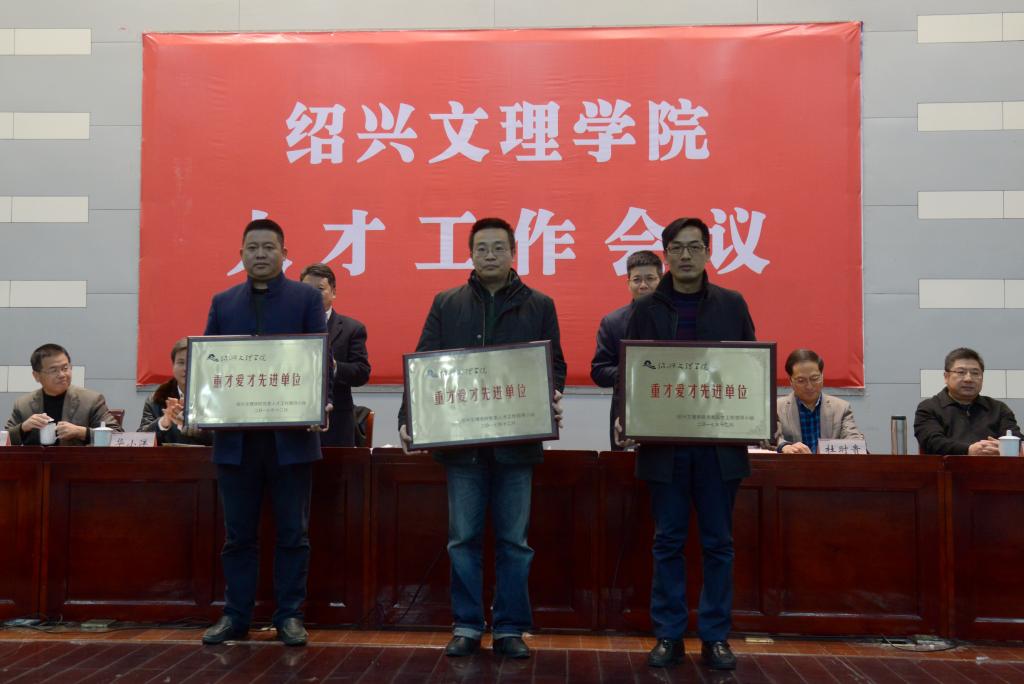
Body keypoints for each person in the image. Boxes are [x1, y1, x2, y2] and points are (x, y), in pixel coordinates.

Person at [398, 217, 566, 660]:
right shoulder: (447, 302)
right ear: (470, 254)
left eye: (499, 247)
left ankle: (510, 628)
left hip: (517, 446)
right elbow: (425, 364)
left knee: (514, 542)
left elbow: (555, 365)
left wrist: (551, 393)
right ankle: (468, 624)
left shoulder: (540, 304)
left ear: (514, 252)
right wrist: (409, 417)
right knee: (463, 539)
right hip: (463, 447)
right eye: (482, 248)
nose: (490, 255)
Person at [622, 217, 754, 671]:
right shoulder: (645, 309)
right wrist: (628, 417)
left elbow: (749, 369)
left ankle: (715, 637)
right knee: (668, 542)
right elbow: (632, 371)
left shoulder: (732, 304)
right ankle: (669, 634)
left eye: (694, 247)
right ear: (665, 255)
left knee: (718, 544)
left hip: (718, 447)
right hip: (666, 448)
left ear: (708, 252)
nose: (685, 256)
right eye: (676, 248)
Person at [200, 218, 329, 647]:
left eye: (269, 247)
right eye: (252, 247)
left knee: (293, 532)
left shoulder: (306, 298)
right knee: (238, 535)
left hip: (290, 440)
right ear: (240, 254)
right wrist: (202, 404)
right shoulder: (223, 303)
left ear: (284, 254)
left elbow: (319, 359)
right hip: (236, 442)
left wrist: (318, 402)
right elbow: (209, 365)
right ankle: (235, 616)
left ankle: (289, 615)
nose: (260, 254)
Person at [590, 250, 662, 450]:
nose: (643, 285)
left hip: (668, 409)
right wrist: (634, 372)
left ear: (661, 281)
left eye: (650, 278)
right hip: (625, 414)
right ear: (628, 283)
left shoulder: (675, 320)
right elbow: (599, 371)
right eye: (637, 279)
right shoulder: (613, 322)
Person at [299, 262, 370, 447]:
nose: (313, 295)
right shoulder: (289, 327)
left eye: (320, 289)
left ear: (333, 292)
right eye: (307, 290)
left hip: (336, 426)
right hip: (296, 422)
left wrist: (333, 366)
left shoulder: (352, 329)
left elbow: (361, 372)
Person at [5, 343, 122, 445]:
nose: (62, 375)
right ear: (36, 376)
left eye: (65, 368)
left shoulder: (91, 400)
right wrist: (22, 428)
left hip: (77, 462)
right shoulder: (23, 404)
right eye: (53, 370)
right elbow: (4, 440)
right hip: (36, 463)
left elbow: (118, 437)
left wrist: (82, 432)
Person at [914, 347, 1021, 455]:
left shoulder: (998, 409)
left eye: (975, 373)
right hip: (948, 465)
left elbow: (1017, 440)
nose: (968, 379)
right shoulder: (929, 408)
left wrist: (1006, 447)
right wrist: (968, 450)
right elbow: (932, 442)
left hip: (995, 465)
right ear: (946, 377)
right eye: (961, 372)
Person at [775, 348, 864, 454]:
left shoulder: (841, 408)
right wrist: (784, 446)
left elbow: (854, 440)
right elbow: (770, 440)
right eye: (801, 381)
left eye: (814, 378)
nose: (809, 386)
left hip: (829, 464)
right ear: (790, 380)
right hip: (792, 464)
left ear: (822, 376)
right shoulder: (776, 408)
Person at [139, 337, 212, 446]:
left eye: (192, 362)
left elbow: (226, 439)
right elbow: (141, 440)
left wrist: (199, 431)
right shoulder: (156, 399)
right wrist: (162, 424)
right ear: (173, 366)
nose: (186, 368)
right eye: (181, 362)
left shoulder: (214, 398)